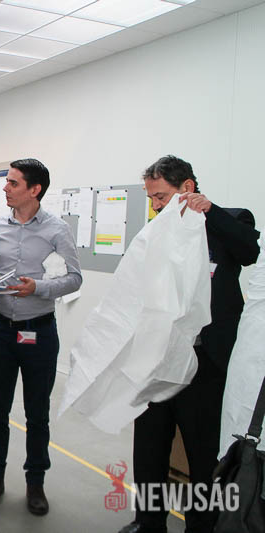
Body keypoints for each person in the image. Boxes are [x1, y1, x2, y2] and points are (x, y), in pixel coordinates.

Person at [119, 155, 260, 533]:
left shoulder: (230, 220)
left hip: (204, 363)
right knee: (149, 449)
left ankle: (201, 526)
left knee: (203, 455)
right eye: (151, 198)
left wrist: (209, 211)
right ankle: (148, 522)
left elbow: (249, 251)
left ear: (188, 188)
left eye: (161, 197)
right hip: (159, 360)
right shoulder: (156, 233)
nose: (155, 206)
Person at [0, 158, 82, 515]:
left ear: (35, 190)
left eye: (13, 183)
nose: (5, 188)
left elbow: (74, 279)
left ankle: (35, 483)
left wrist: (38, 287)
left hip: (39, 331)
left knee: (37, 414)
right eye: (7, 181)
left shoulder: (57, 230)